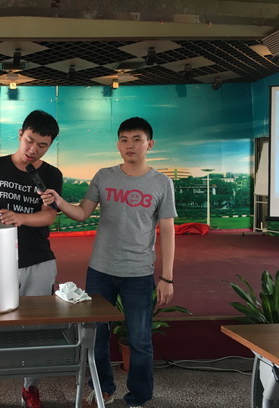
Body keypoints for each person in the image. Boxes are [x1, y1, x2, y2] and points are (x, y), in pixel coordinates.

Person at [39, 117, 177, 408]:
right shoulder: (104, 176)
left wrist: (167, 277)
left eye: (137, 139)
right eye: (124, 140)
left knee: (140, 340)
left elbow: (167, 230)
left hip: (139, 272)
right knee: (97, 336)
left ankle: (138, 397)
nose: (130, 145)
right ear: (118, 144)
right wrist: (59, 201)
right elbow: (82, 214)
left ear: (150, 144)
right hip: (100, 269)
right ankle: (102, 389)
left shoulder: (162, 183)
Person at [0, 109, 63, 408]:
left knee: (34, 329)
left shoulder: (51, 175)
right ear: (20, 134)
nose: (33, 150)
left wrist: (20, 218)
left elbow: (49, 216)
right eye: (30, 141)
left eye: (42, 145)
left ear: (50, 145)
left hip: (37, 259)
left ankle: (30, 387)